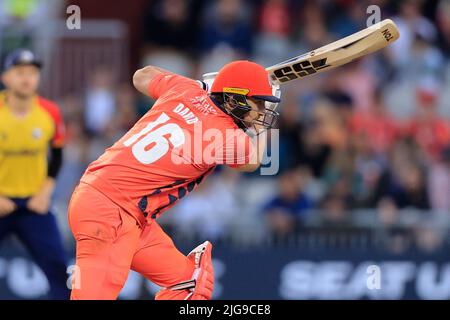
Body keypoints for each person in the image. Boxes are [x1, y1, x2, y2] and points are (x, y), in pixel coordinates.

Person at [68, 60, 281, 299]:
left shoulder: (184, 90)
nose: (262, 112)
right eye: (259, 103)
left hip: (119, 209)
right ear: (233, 99)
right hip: (112, 213)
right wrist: (262, 130)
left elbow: (142, 75)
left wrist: (199, 84)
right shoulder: (226, 136)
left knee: (189, 281)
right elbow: (254, 160)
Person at [0, 49, 69, 299]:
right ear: (6, 78)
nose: (27, 78)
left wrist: (45, 193)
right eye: (19, 72)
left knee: (58, 270)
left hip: (34, 205)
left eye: (32, 72)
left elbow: (58, 155)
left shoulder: (49, 112)